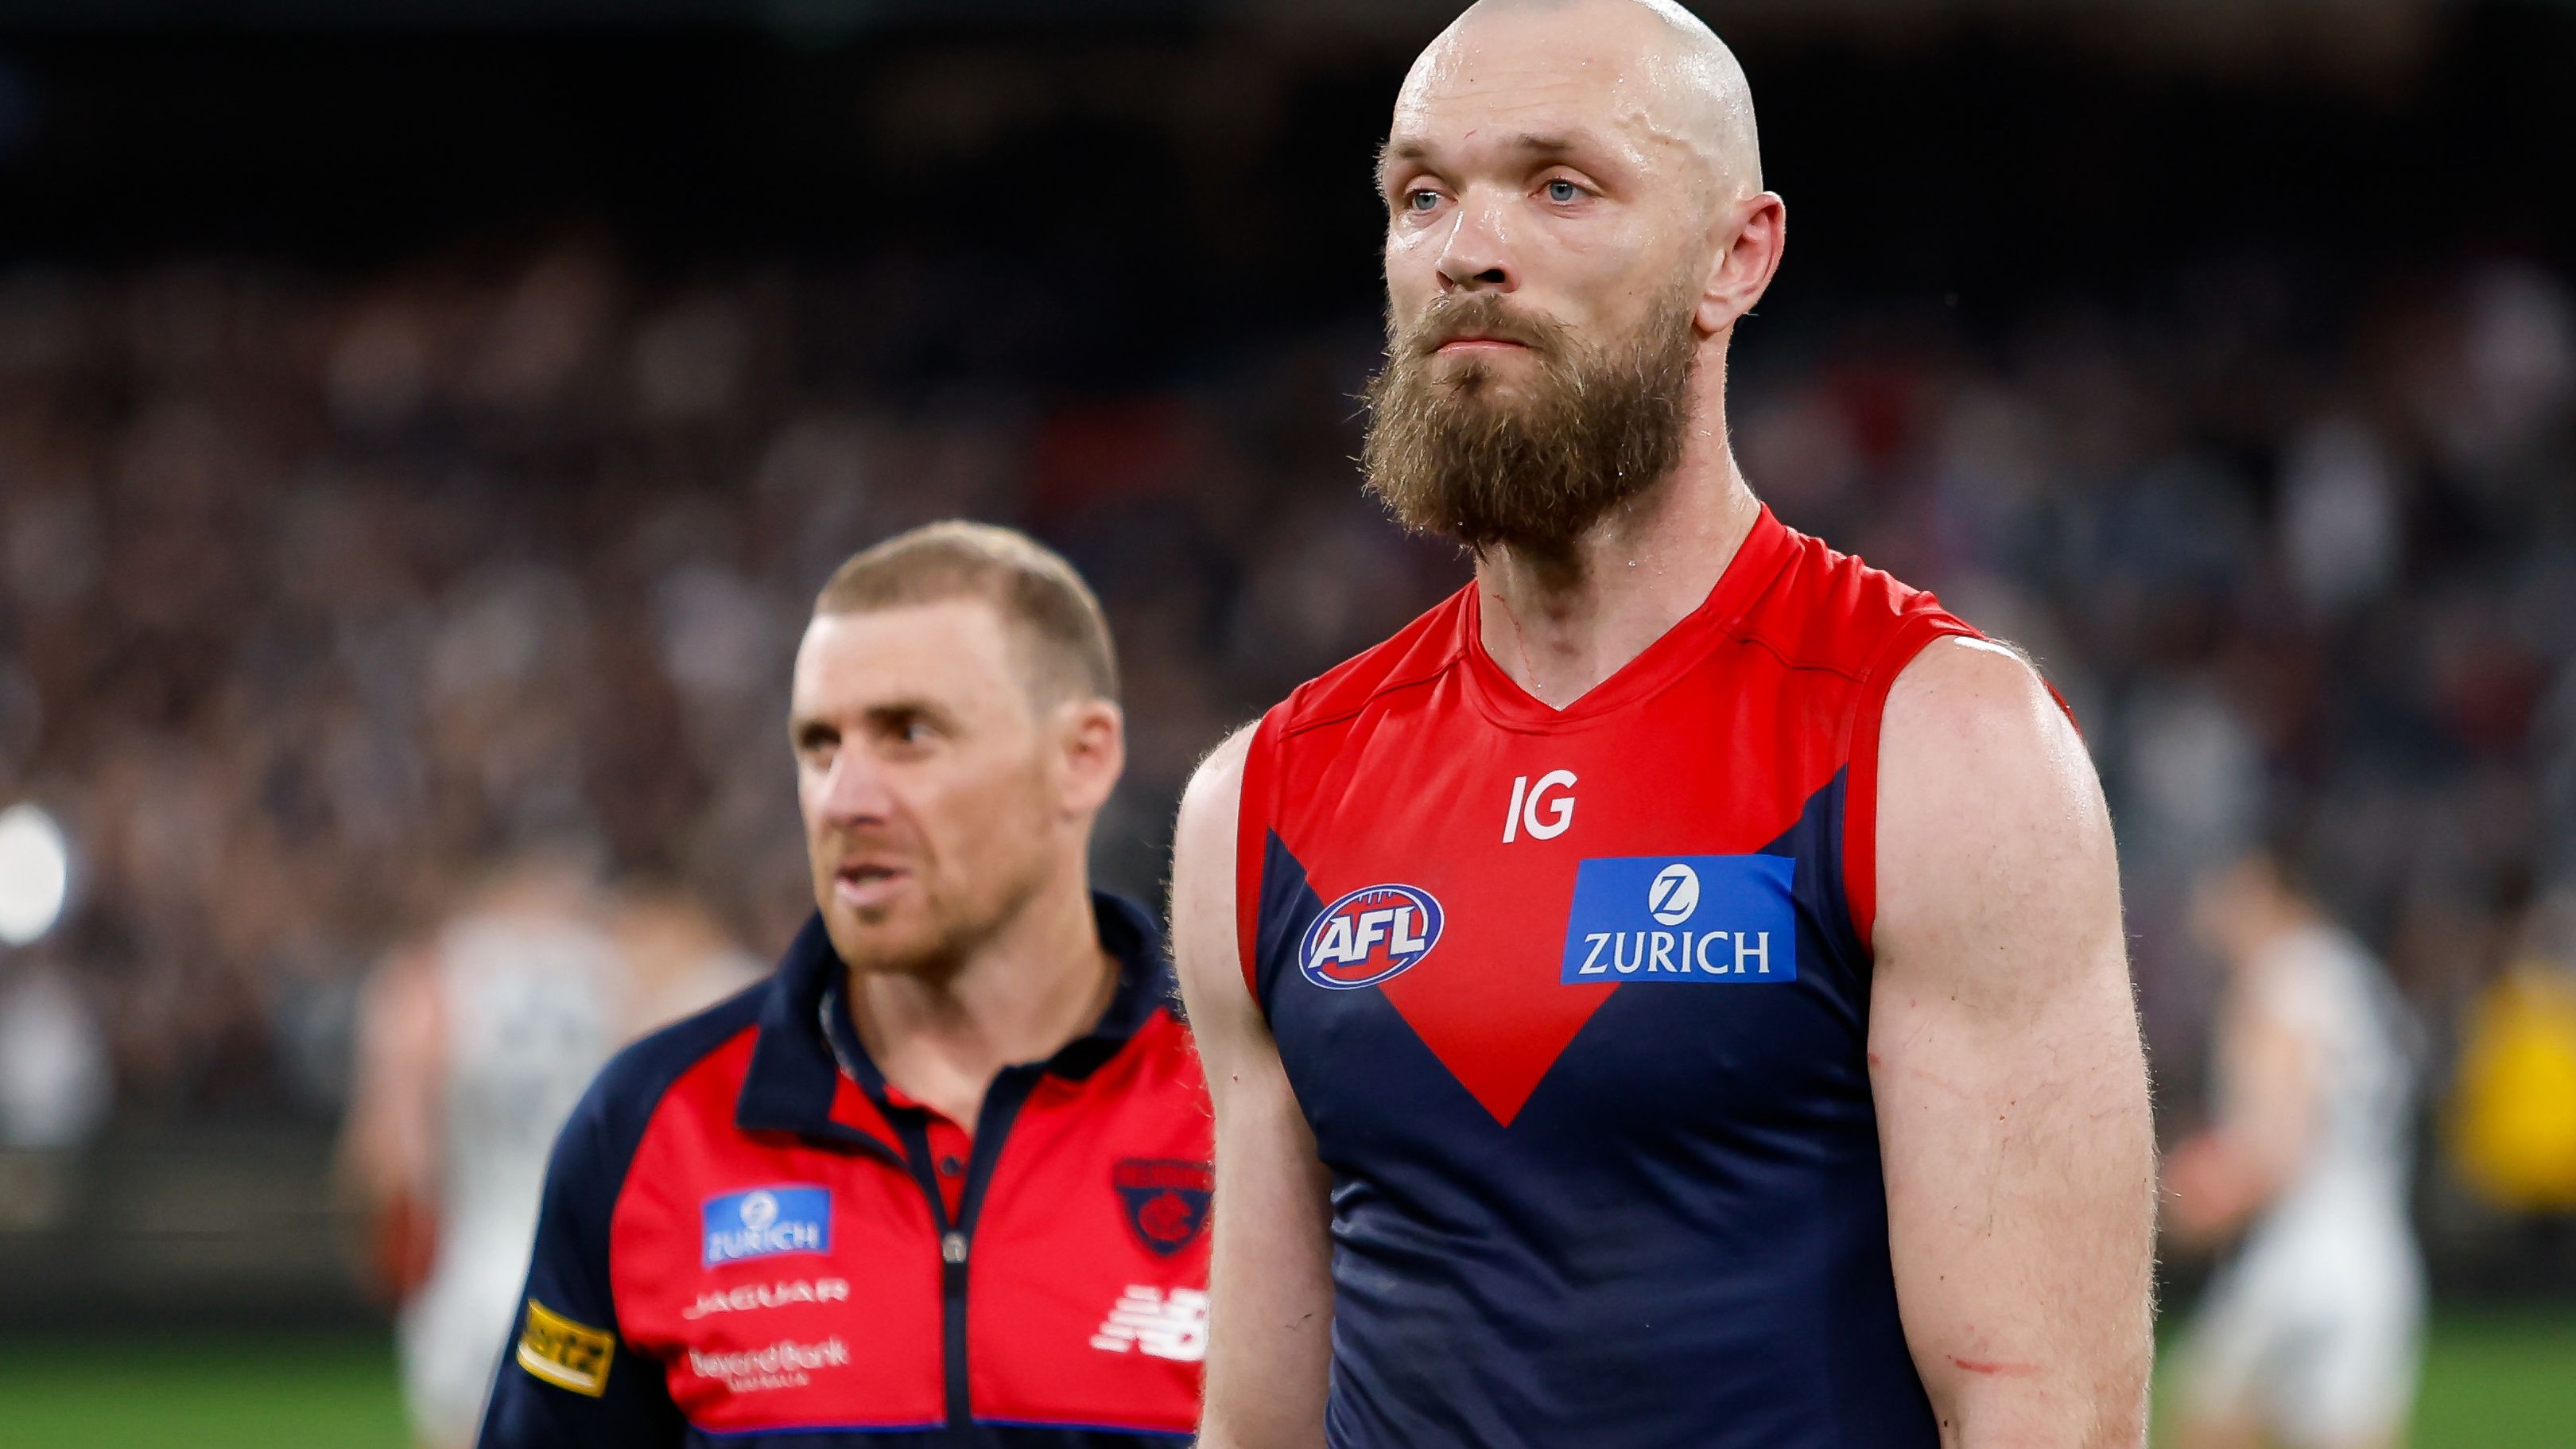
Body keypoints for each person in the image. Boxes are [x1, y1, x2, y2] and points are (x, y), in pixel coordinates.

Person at [1167, 3, 2156, 1446]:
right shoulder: (1260, 806)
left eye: (1561, 186)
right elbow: (1256, 1426)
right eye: (1420, 194)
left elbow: (2043, 1411)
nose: (1465, 250)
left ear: (1735, 256)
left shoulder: (1935, 743)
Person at [478, 522, 1212, 1448]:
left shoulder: (1262, 1107)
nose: (845, 798)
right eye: (819, 744)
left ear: (1083, 756)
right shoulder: (648, 1127)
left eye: (911, 734)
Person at [339, 854, 758, 1449]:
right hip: (583, 1272)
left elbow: (392, 1160)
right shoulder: (617, 966)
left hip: (471, 1274)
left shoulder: (430, 981)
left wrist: (392, 1258)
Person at [2167, 852, 2425, 1449]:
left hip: (2298, 1251)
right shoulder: (2352, 971)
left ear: (2268, 891)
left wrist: (2184, 1200)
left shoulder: (2277, 980)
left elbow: (2274, 1148)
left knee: (2206, 1422)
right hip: (2376, 1251)